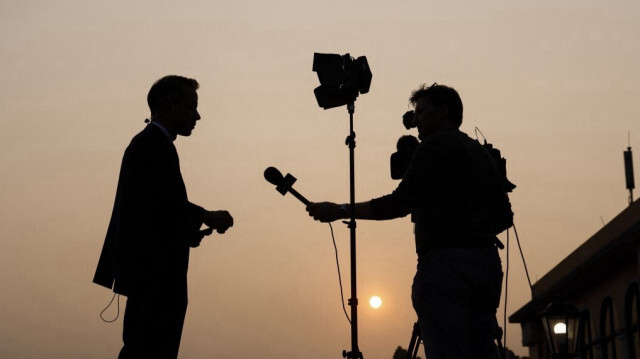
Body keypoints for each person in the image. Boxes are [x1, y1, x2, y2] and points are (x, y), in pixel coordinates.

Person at [306, 84, 505, 359]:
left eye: (422, 112)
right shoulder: (481, 153)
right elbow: (504, 216)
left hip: (445, 267)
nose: (417, 121)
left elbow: (398, 203)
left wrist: (341, 210)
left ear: (443, 112)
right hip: (486, 265)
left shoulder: (433, 147)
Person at [93, 75, 234, 358]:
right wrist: (205, 216)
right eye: (191, 106)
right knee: (150, 348)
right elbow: (161, 203)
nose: (197, 115)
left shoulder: (152, 145)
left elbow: (154, 213)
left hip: (154, 272)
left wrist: (190, 231)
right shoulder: (150, 146)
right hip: (154, 274)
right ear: (167, 106)